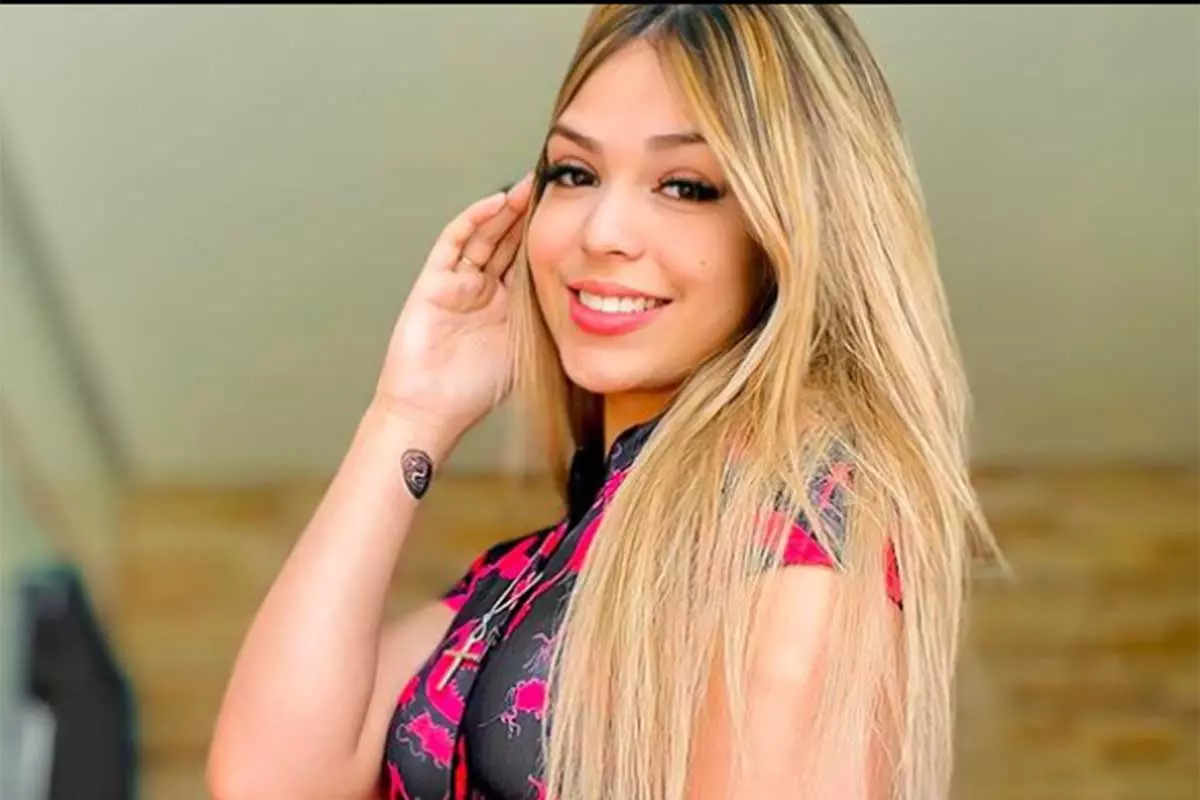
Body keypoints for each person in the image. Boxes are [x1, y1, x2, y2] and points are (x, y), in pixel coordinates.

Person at [206, 5, 1003, 799]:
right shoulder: (532, 573)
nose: (602, 231)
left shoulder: (798, 530)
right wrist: (408, 415)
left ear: (793, 230)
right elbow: (267, 782)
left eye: (685, 186)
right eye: (575, 174)